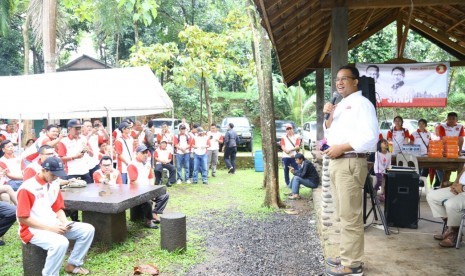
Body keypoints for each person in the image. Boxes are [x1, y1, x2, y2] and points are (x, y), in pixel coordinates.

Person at [322, 65, 379, 275]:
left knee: (351, 215)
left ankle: (353, 264)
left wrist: (341, 148)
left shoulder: (362, 104)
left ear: (356, 81)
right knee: (343, 214)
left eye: (344, 78)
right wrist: (328, 114)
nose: (339, 82)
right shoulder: (340, 105)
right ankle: (346, 255)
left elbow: (370, 137)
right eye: (337, 79)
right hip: (338, 162)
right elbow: (329, 131)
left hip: (350, 161)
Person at [16, 156, 95, 275]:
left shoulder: (53, 184)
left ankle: (73, 264)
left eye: (58, 175)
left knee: (88, 230)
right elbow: (23, 218)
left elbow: (57, 208)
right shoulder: (27, 188)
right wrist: (51, 228)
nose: (56, 178)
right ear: (43, 170)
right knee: (61, 243)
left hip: (53, 224)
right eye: (53, 175)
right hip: (32, 230)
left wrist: (65, 222)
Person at [426, 165, 465, 247]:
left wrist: (463, 188)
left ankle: (453, 234)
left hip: (463, 189)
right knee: (432, 196)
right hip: (460, 187)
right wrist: (456, 183)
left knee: (451, 204)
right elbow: (463, 170)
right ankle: (451, 228)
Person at [127, 145, 162, 229]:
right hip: (135, 192)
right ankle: (148, 221)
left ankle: (154, 213)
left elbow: (150, 177)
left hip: (147, 190)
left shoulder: (148, 164)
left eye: (146, 152)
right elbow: (133, 181)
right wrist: (146, 191)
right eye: (143, 153)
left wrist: (151, 189)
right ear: (137, 154)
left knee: (164, 196)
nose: (145, 154)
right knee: (148, 201)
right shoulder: (132, 164)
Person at [56, 119, 93, 184]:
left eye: (79, 128)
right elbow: (61, 159)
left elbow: (92, 154)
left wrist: (88, 150)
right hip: (72, 173)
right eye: (76, 129)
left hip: (85, 171)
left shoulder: (83, 139)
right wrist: (75, 157)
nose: (78, 131)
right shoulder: (63, 141)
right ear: (69, 129)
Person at [435, 112, 465, 187]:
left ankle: (456, 185)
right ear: (447, 119)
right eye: (449, 119)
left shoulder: (460, 126)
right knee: (439, 167)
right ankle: (444, 183)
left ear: (456, 119)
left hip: (455, 151)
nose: (451, 120)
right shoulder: (442, 126)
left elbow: (461, 139)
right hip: (444, 152)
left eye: (453, 119)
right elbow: (442, 139)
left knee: (459, 168)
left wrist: (459, 151)